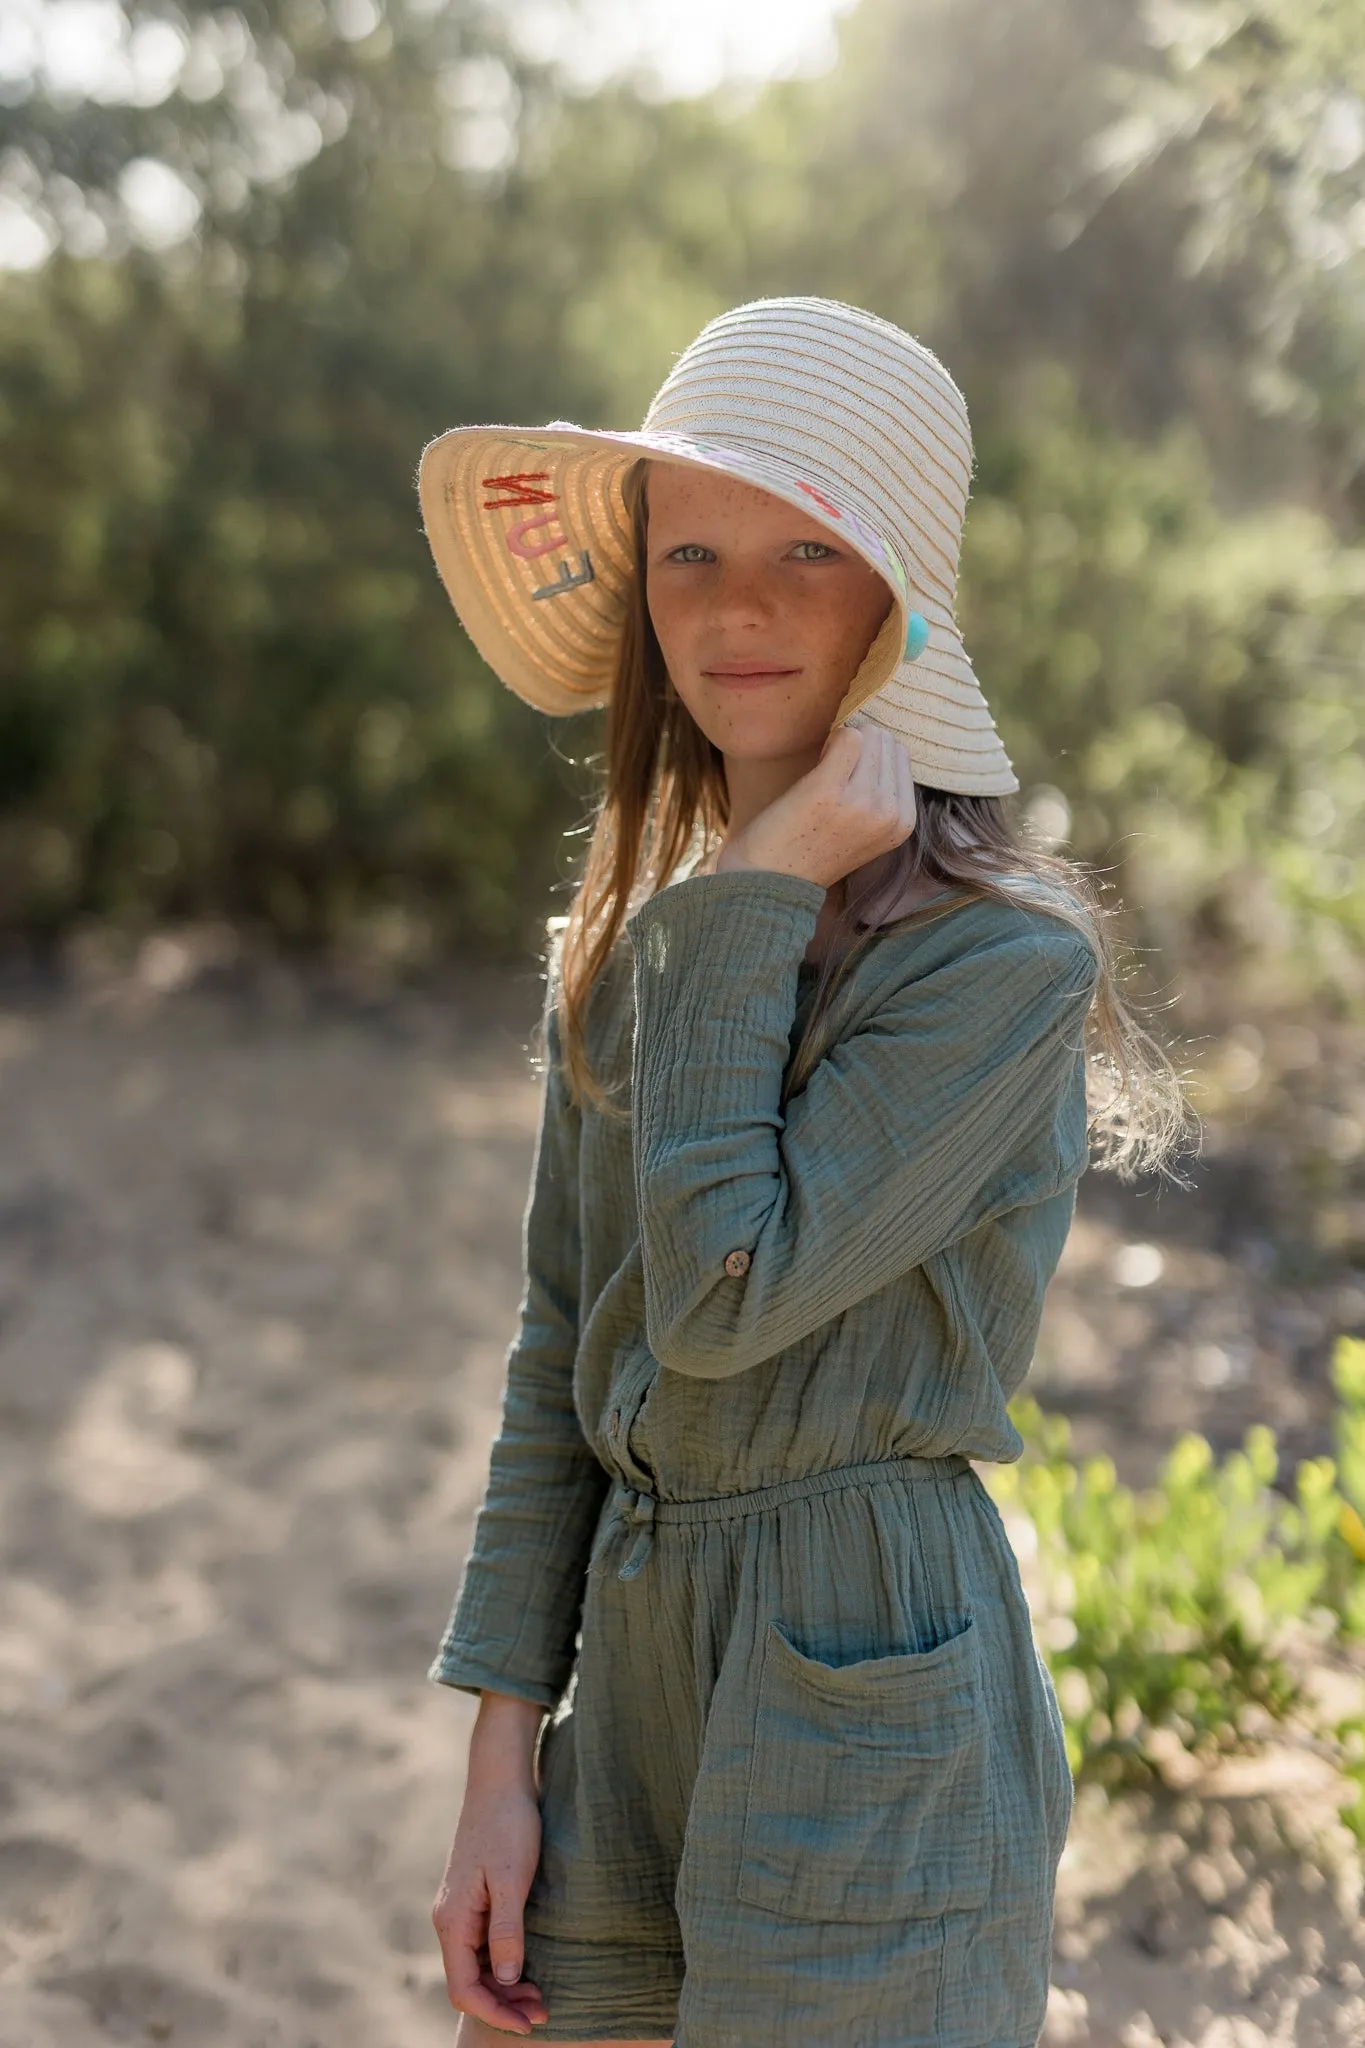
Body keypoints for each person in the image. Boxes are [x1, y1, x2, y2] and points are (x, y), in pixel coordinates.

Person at [414, 297, 1183, 2048]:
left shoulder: (998, 970)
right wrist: (498, 1757)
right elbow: (563, 1351)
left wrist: (754, 892)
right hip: (630, 1673)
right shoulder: (631, 952)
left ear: (896, 609)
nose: (735, 602)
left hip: (869, 1680)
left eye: (806, 548)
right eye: (688, 548)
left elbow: (716, 1295)